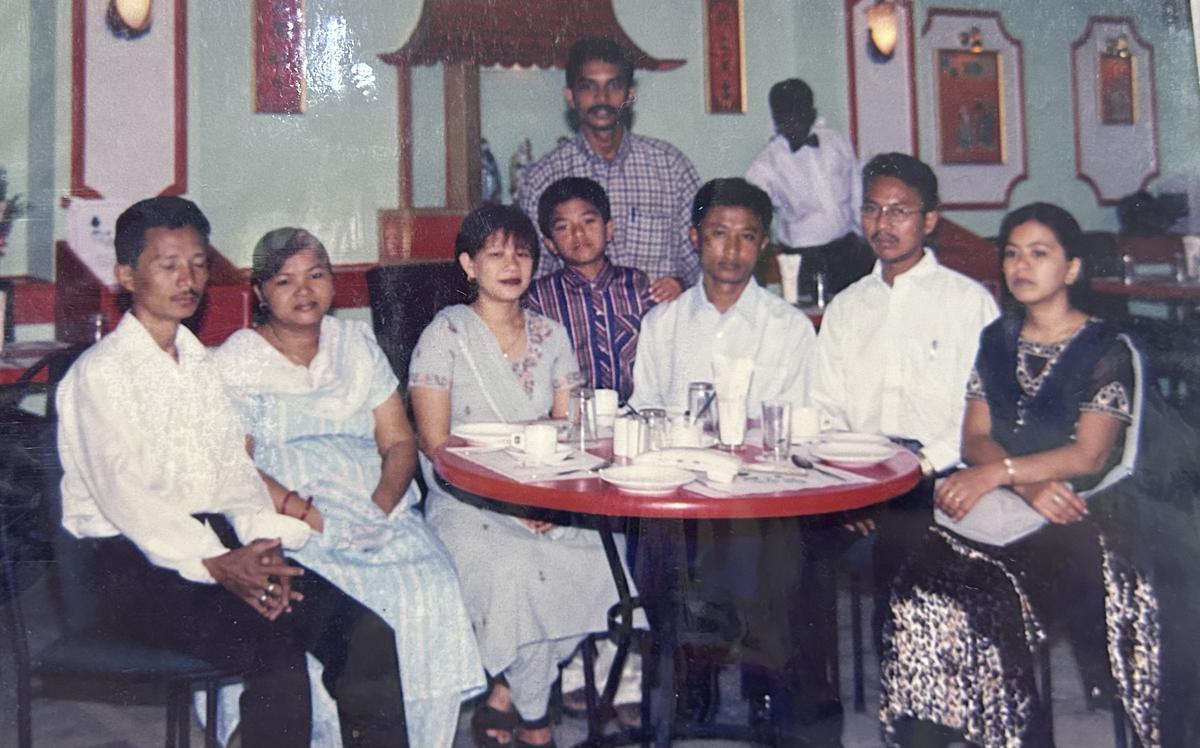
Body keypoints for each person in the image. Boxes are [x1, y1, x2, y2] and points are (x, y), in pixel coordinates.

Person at [56, 196, 409, 747]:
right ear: (126, 275)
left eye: (198, 263)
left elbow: (231, 471)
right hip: (127, 565)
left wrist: (259, 540)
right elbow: (129, 499)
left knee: (364, 635)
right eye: (167, 264)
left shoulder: (198, 364)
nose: (187, 278)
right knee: (276, 649)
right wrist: (217, 562)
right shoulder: (101, 375)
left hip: (215, 543)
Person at [879, 202, 1194, 748]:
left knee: (995, 598)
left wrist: (997, 474)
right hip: (1012, 501)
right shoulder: (995, 339)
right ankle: (931, 734)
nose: (1021, 266)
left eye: (1039, 254)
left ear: (1071, 269)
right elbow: (973, 437)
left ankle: (1018, 737)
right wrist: (1015, 480)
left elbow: (1089, 456)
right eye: (1011, 254)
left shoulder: (1107, 348)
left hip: (1085, 515)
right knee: (917, 588)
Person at [211, 228, 485, 747]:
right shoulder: (238, 358)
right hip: (285, 511)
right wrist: (304, 512)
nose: (304, 290)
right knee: (341, 605)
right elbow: (234, 464)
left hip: (373, 504)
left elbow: (399, 442)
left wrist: (380, 508)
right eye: (285, 280)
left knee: (429, 585)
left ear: (333, 282)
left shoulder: (355, 345)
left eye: (316, 275)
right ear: (261, 293)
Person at [409, 204, 635, 748]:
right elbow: (435, 447)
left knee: (604, 554)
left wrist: (548, 504)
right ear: (468, 264)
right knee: (514, 572)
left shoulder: (551, 335)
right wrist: (509, 505)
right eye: (495, 253)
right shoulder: (446, 335)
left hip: (546, 496)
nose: (512, 264)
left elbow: (567, 433)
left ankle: (507, 695)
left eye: (522, 252)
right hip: (466, 502)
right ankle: (536, 723)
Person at [629, 178, 818, 744]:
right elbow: (646, 407)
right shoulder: (665, 324)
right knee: (667, 549)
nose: (731, 250)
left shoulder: (785, 326)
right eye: (718, 234)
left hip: (757, 491)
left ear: (763, 246)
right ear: (694, 239)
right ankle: (696, 673)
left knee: (767, 549)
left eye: (746, 237)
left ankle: (763, 682)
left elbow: (790, 420)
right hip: (681, 490)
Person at [808, 152, 999, 650]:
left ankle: (915, 698)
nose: (883, 224)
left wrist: (919, 467)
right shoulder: (848, 307)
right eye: (872, 210)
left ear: (929, 220)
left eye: (899, 211)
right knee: (784, 547)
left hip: (940, 470)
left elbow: (978, 412)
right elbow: (824, 405)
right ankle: (809, 714)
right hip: (860, 471)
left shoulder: (968, 302)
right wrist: (848, 485)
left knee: (905, 545)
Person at [517, 36, 702, 302]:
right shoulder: (544, 177)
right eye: (588, 87)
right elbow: (535, 273)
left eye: (613, 86)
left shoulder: (670, 167)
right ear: (570, 97)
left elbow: (699, 253)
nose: (601, 98)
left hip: (661, 326)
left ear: (629, 95)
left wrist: (681, 283)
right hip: (578, 332)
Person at [524, 176, 655, 402]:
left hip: (631, 415)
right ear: (551, 244)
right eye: (563, 227)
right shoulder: (538, 298)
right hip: (566, 419)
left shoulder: (637, 285)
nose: (578, 233)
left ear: (609, 229)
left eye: (588, 221)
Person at [745, 78, 871, 304]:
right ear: (776, 120)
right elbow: (753, 215)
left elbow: (856, 190)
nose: (792, 124)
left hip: (849, 249)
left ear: (811, 114)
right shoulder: (765, 165)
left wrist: (864, 237)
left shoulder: (836, 142)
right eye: (785, 119)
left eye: (799, 116)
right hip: (805, 258)